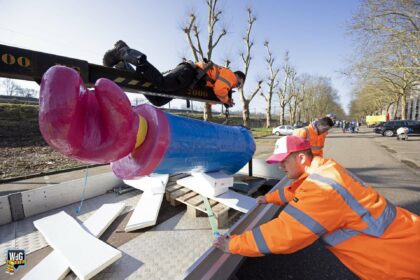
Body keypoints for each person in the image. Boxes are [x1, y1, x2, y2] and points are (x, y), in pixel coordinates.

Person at [214, 136, 420, 279]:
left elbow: (284, 234)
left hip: (401, 262)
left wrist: (233, 245)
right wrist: (268, 198)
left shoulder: (322, 189)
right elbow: (297, 193)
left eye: (284, 162)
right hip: (408, 239)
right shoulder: (325, 170)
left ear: (301, 158)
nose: (280, 167)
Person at [103, 40, 245, 107]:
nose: (237, 86)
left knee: (158, 100)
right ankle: (124, 51)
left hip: (188, 83)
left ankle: (125, 67)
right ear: (237, 76)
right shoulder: (230, 76)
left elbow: (213, 96)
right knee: (163, 83)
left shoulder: (223, 78)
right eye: (240, 83)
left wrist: (223, 101)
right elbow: (220, 89)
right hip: (188, 73)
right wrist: (226, 100)